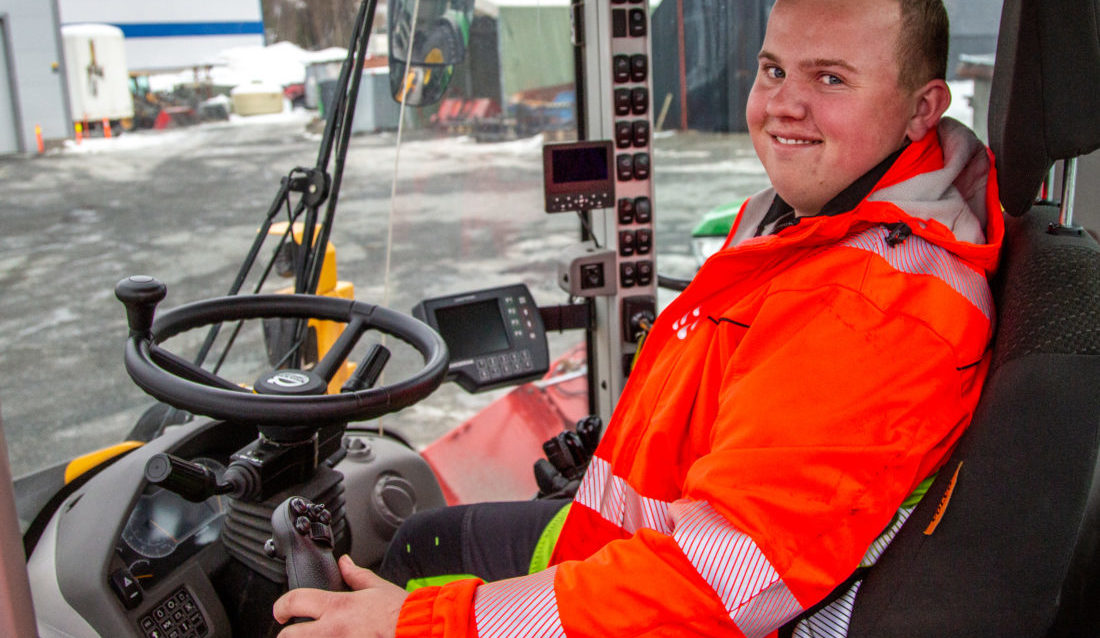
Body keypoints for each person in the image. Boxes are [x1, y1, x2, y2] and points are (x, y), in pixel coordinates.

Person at [273, 0, 1004, 635]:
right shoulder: (810, 219)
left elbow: (715, 586)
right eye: (774, 69)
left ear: (922, 107)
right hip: (624, 544)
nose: (784, 103)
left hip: (674, 602)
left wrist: (415, 624)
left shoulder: (872, 311)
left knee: (406, 570)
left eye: (831, 77)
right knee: (431, 539)